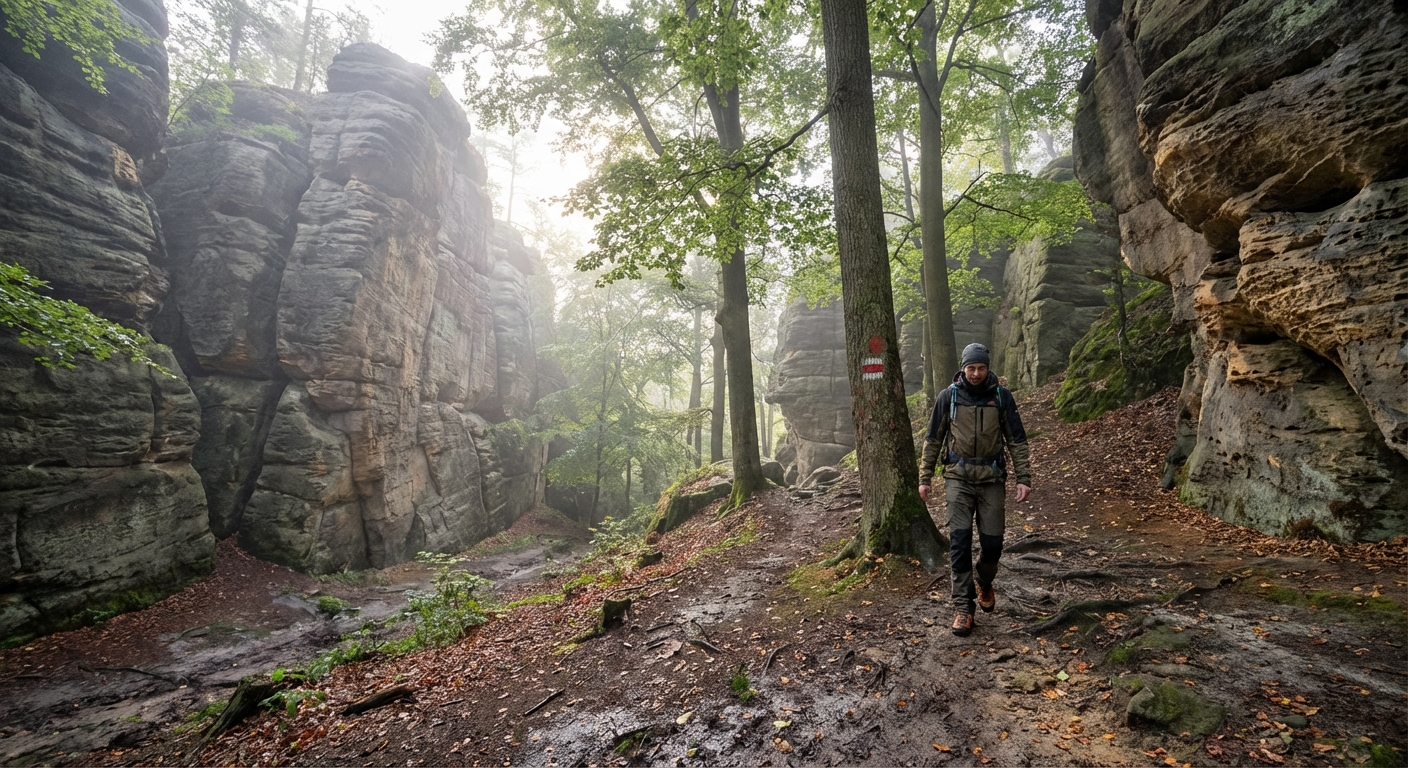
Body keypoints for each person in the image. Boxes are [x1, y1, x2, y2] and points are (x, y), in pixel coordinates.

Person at [918, 343, 1032, 636]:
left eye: (981, 368)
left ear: (988, 368)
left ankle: (984, 580)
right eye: (972, 368)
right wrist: (925, 477)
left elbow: (1017, 440)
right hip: (957, 478)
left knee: (993, 545)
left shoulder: (1001, 397)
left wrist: (1024, 477)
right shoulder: (949, 397)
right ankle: (964, 608)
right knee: (959, 544)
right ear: (963, 368)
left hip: (992, 478)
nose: (977, 373)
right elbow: (932, 440)